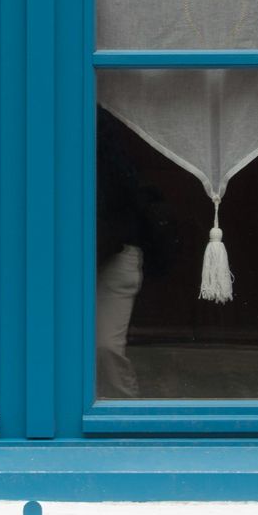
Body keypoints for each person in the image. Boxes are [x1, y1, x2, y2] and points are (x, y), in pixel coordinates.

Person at [96, 110, 173, 399]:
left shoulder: (106, 138)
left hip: (113, 253)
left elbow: (124, 194)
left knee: (105, 347)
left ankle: (126, 422)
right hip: (58, 257)